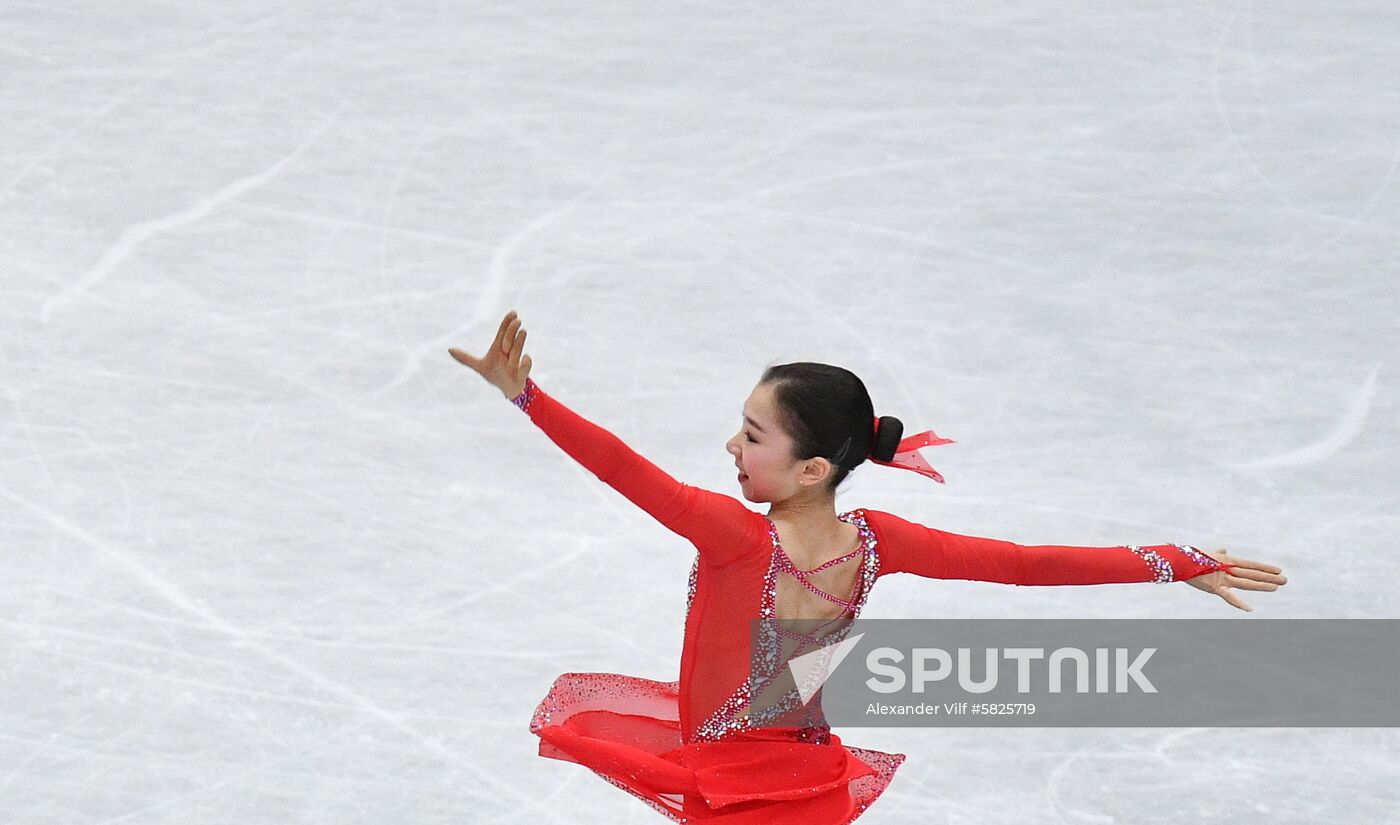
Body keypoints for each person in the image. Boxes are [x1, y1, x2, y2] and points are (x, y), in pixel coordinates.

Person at [449, 309, 1287, 824]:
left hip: (740, 787)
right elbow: (1027, 564)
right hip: (807, 780)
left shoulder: (732, 535)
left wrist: (527, 396)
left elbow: (620, 467)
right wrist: (1175, 562)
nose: (731, 445)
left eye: (752, 434)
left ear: (813, 467)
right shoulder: (876, 542)